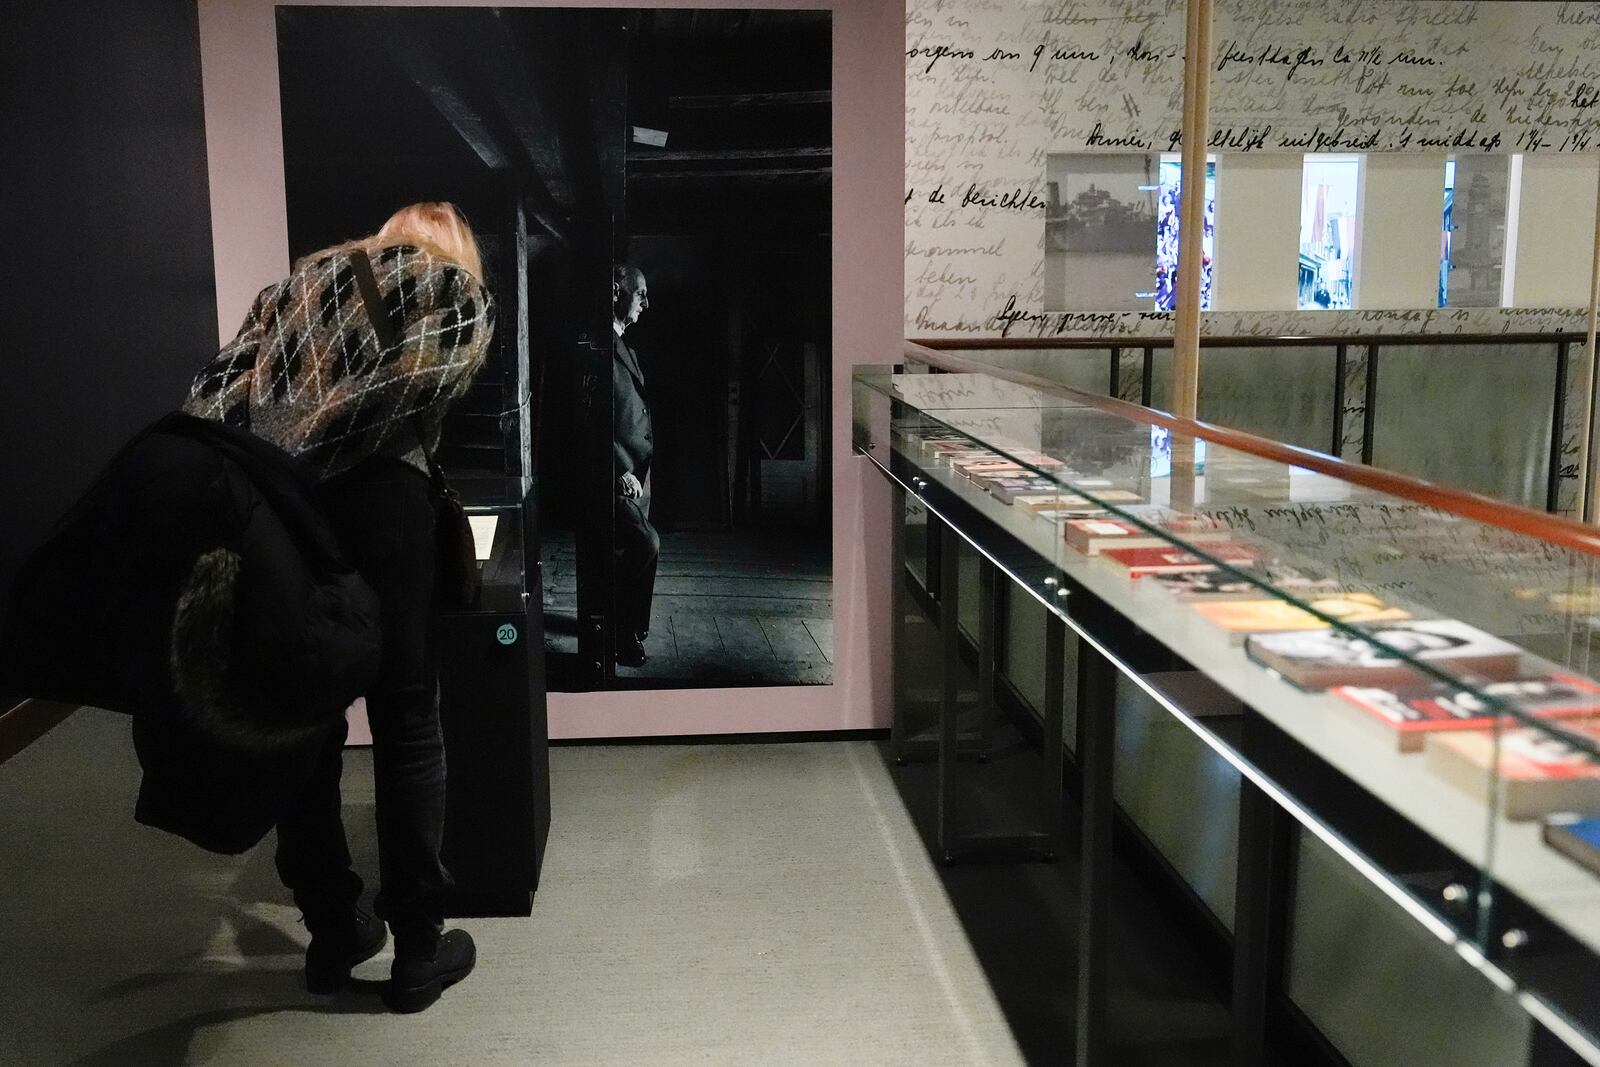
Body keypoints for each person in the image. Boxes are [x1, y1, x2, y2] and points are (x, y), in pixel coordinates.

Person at [182, 202, 495, 1012]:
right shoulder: (453, 288)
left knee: (308, 718)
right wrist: (340, 435)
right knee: (407, 723)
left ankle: (334, 931)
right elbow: (425, 384)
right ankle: (419, 948)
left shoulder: (291, 288)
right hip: (388, 506)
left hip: (289, 509)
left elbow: (212, 397)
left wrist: (282, 457)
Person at [612, 264, 660, 668]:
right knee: (645, 545)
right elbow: (589, 420)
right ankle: (620, 631)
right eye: (639, 292)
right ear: (617, 291)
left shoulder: (624, 345)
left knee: (647, 545)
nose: (645, 302)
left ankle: (633, 628)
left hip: (638, 475)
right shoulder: (597, 347)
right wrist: (617, 470)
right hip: (617, 477)